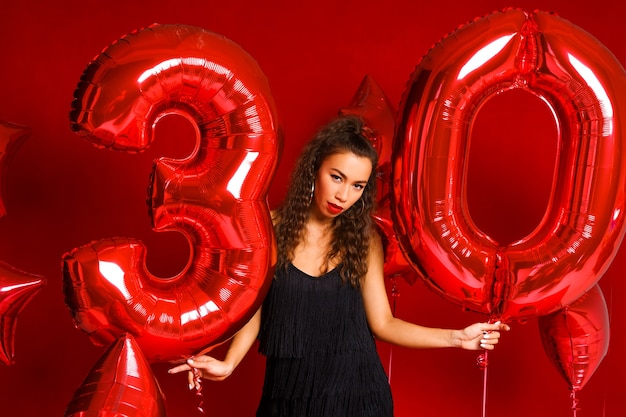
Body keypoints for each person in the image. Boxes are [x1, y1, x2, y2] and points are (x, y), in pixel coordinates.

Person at [169, 115, 510, 417]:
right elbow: (252, 311)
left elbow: (383, 323)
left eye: (357, 185)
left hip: (359, 398)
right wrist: (229, 362)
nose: (344, 195)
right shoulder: (266, 231)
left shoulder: (364, 241)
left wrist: (457, 338)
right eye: (337, 177)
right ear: (315, 168)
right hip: (287, 398)